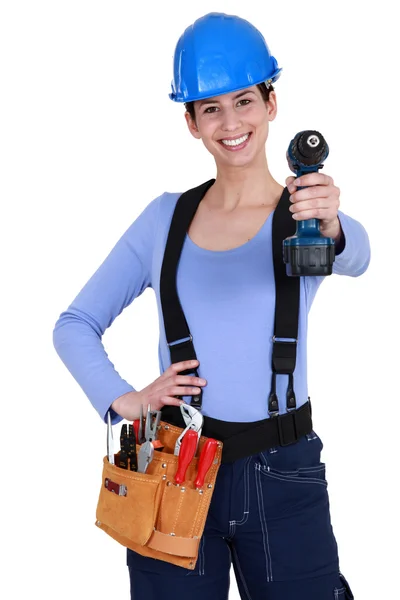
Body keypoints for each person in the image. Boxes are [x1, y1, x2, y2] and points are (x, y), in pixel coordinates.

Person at [53, 11, 370, 600]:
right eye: (211, 108)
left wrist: (330, 221)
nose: (231, 122)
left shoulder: (303, 215)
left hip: (284, 470)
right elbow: (74, 324)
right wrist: (124, 399)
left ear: (272, 103)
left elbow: (358, 256)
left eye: (245, 101)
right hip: (173, 464)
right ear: (191, 122)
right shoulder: (163, 220)